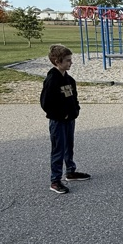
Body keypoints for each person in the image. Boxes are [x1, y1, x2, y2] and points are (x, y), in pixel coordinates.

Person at [39, 44, 90, 195]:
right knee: (58, 149)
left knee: (69, 145)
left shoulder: (69, 80)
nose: (70, 63)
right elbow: (46, 103)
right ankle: (55, 180)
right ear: (57, 61)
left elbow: (74, 98)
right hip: (58, 121)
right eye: (67, 60)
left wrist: (75, 110)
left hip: (70, 120)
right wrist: (62, 114)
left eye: (70, 60)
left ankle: (70, 172)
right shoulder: (52, 80)